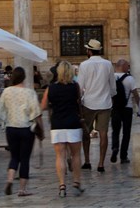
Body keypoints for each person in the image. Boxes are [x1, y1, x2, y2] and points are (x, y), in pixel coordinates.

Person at [41, 60, 85, 198]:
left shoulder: (51, 88)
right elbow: (80, 102)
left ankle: (62, 185)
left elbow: (43, 106)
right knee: (76, 155)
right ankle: (76, 182)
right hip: (73, 123)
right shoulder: (75, 87)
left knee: (60, 156)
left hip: (57, 124)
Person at [0, 66, 42, 197]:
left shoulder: (6, 92)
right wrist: (40, 128)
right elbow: (36, 112)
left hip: (11, 128)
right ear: (24, 77)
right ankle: (22, 189)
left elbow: (0, 109)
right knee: (24, 158)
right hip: (26, 128)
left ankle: (10, 179)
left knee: (14, 156)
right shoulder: (29, 93)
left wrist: (5, 122)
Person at [77, 39, 116, 172]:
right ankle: (101, 163)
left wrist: (79, 100)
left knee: (86, 132)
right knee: (104, 133)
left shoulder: (84, 65)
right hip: (105, 103)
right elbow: (113, 86)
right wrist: (110, 96)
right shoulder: (108, 64)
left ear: (89, 51)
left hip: (89, 103)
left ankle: (87, 160)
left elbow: (80, 86)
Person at [110, 59, 139, 164]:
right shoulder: (130, 78)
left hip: (115, 108)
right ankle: (123, 156)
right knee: (126, 132)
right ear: (122, 66)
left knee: (115, 130)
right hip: (127, 108)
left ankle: (115, 147)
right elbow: (135, 94)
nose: (128, 68)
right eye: (127, 66)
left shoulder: (111, 77)